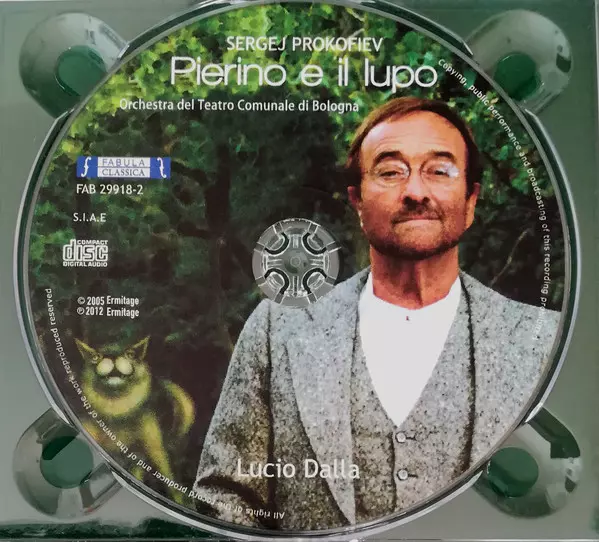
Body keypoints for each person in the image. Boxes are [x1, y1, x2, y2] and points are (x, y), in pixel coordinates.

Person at [192, 97, 560, 531]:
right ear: (358, 200)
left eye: (439, 170)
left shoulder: (543, 340)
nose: (416, 191)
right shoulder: (278, 327)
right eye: (390, 171)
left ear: (471, 200)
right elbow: (225, 500)